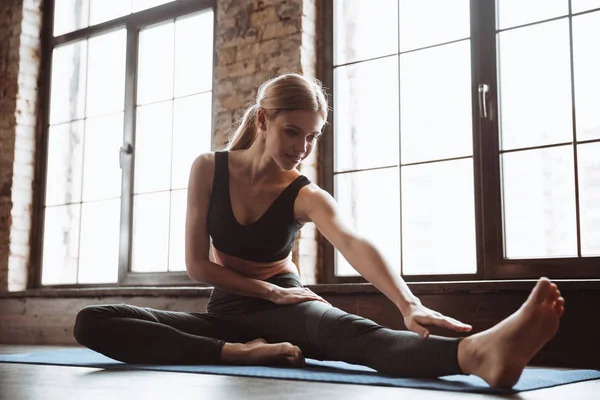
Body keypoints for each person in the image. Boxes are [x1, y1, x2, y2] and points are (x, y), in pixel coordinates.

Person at [73, 73, 565, 389]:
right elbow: (198, 265)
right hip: (228, 314)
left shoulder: (304, 193)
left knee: (355, 335)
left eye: (311, 137)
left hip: (288, 306)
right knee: (92, 321)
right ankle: (239, 354)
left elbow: (353, 242)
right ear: (264, 121)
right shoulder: (208, 168)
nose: (301, 147)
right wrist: (252, 316)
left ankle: (476, 354)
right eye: (293, 132)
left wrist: (407, 302)